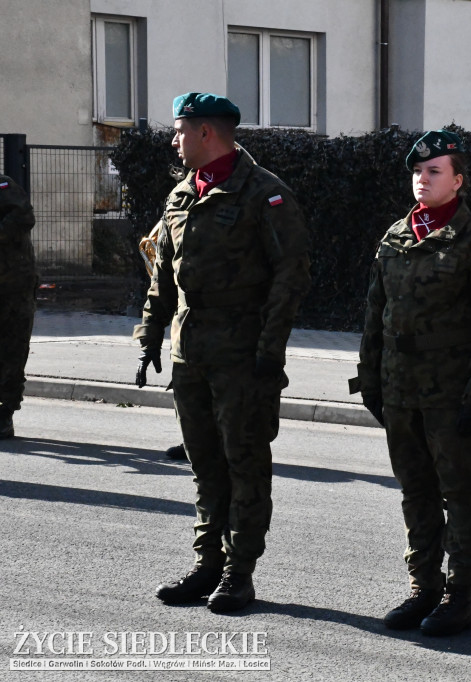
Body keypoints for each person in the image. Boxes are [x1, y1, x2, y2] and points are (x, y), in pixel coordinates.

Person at [132, 92, 311, 613]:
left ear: (205, 133)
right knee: (205, 465)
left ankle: (239, 573)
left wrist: (269, 350)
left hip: (242, 358)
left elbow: (291, 276)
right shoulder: (180, 195)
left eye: (180, 129)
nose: (173, 139)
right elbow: (163, 275)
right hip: (191, 358)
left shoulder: (264, 194)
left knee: (245, 464)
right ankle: (207, 563)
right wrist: (149, 336)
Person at [351, 130, 471, 637]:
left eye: (434, 171)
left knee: (459, 491)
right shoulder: (396, 236)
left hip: (452, 394)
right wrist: (370, 378)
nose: (422, 179)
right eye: (418, 172)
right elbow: (375, 313)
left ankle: (459, 596)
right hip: (401, 391)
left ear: (458, 180)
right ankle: (423, 588)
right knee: (415, 490)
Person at [0, 174, 36, 439]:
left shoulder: (3, 185)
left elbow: (24, 217)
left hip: (12, 288)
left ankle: (5, 412)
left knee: (12, 349)